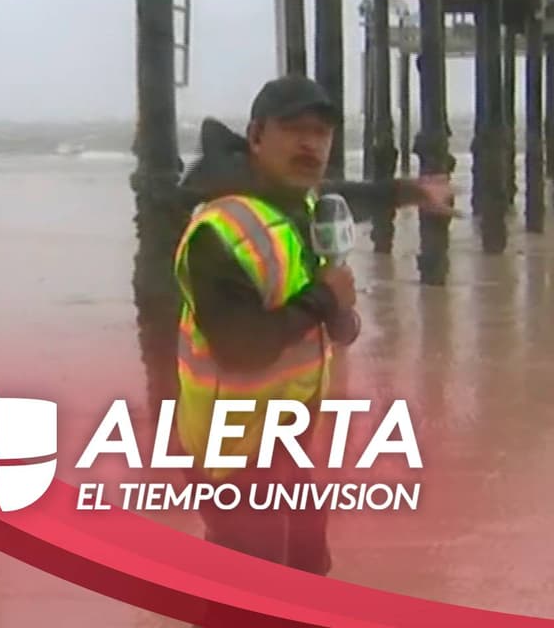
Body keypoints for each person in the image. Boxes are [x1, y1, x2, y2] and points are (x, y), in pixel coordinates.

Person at [169, 74, 454, 576]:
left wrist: (411, 192)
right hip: (234, 452)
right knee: (250, 593)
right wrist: (325, 299)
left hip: (290, 436)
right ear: (256, 136)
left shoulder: (292, 201)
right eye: (295, 130)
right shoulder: (221, 230)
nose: (311, 145)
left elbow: (348, 195)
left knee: (307, 570)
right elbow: (242, 347)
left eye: (321, 134)